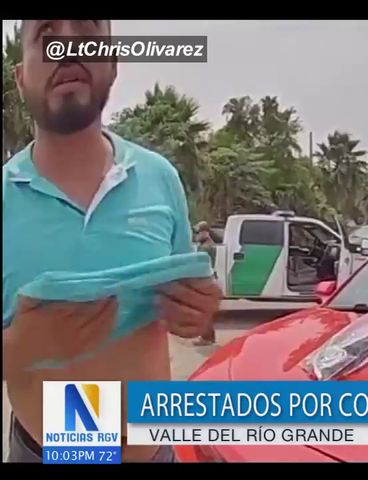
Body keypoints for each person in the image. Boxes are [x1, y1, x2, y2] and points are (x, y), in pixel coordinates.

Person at [2, 20, 221, 463]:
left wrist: (198, 310)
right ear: (21, 77)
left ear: (113, 64)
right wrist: (20, 348)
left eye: (86, 35)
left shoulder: (160, 177)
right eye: (47, 37)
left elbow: (186, 301)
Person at [193, 222, 217, 346]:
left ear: (205, 232)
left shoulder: (205, 247)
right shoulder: (208, 244)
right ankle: (209, 337)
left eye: (198, 232)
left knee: (203, 310)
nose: (196, 235)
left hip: (204, 279)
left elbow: (200, 265)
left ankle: (206, 337)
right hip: (208, 278)